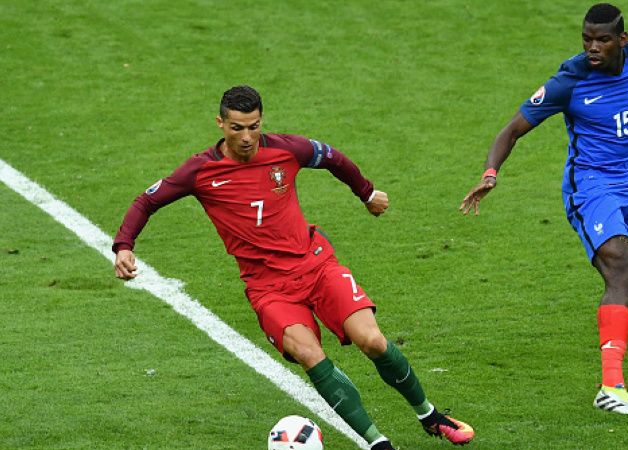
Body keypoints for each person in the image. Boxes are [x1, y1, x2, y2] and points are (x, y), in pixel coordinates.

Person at [113, 85, 474, 448]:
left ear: (261, 121)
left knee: (373, 340)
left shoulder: (287, 149)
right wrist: (124, 246)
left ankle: (429, 415)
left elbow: (333, 157)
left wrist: (365, 193)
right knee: (310, 355)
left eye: (253, 126)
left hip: (315, 265)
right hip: (268, 287)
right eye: (237, 128)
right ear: (220, 123)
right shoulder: (200, 170)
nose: (247, 137)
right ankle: (378, 443)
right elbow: (146, 201)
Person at [460, 3, 628, 416]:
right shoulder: (569, 80)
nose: (592, 47)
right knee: (620, 266)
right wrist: (490, 172)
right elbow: (512, 129)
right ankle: (611, 387)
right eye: (587, 38)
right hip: (590, 190)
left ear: (621, 40)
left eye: (602, 39)